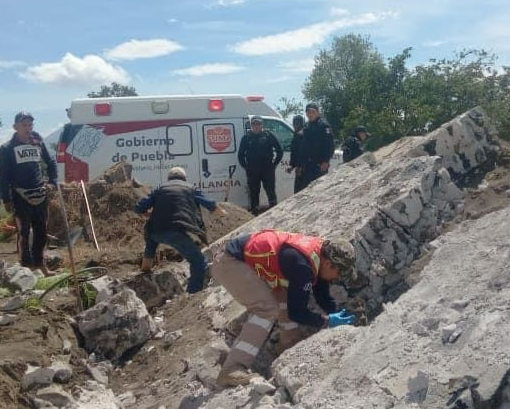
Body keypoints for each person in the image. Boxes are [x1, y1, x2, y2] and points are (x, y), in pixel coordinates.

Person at [211, 229, 357, 387]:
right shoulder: (302, 265)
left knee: (288, 292)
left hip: (245, 261)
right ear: (328, 264)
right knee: (267, 309)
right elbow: (297, 313)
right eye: (339, 273)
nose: (338, 278)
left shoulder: (319, 254)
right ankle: (232, 367)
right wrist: (327, 321)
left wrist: (334, 311)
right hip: (230, 263)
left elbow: (320, 289)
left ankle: (288, 342)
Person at [135, 166, 225, 293]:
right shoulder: (191, 188)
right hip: (176, 230)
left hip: (154, 230)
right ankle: (193, 295)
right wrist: (225, 214)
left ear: (168, 178)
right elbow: (213, 206)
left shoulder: (160, 189)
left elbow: (139, 207)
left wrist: (148, 214)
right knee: (198, 261)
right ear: (184, 178)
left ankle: (145, 268)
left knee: (151, 243)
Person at [0, 111, 57, 271]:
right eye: (24, 125)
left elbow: (51, 161)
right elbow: (4, 175)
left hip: (40, 192)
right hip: (20, 195)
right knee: (24, 232)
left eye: (30, 125)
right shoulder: (7, 148)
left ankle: (41, 265)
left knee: (42, 231)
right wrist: (6, 199)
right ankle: (26, 268)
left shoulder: (37, 141)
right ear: (15, 127)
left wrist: (53, 182)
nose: (28, 128)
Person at [237, 116, 283, 214]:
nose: (256, 126)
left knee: (271, 192)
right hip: (253, 171)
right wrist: (246, 167)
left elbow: (280, 151)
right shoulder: (246, 138)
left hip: (267, 170)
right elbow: (240, 155)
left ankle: (275, 213)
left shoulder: (269, 135)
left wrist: (274, 165)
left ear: (262, 125)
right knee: (254, 194)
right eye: (254, 124)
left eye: (258, 124)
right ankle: (255, 215)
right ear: (251, 125)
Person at [298, 103, 334, 191]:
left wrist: (326, 161)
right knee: (306, 190)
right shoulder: (307, 126)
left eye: (312, 112)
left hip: (319, 165)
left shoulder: (323, 125)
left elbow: (330, 145)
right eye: (308, 112)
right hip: (307, 165)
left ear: (318, 112)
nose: (310, 114)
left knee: (319, 190)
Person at [286, 115, 306, 193]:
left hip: (304, 169)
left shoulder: (302, 135)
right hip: (300, 168)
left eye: (298, 123)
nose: (296, 125)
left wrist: (300, 167)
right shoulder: (296, 134)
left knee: (300, 192)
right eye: (295, 123)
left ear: (302, 124)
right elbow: (295, 152)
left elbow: (303, 153)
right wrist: (292, 166)